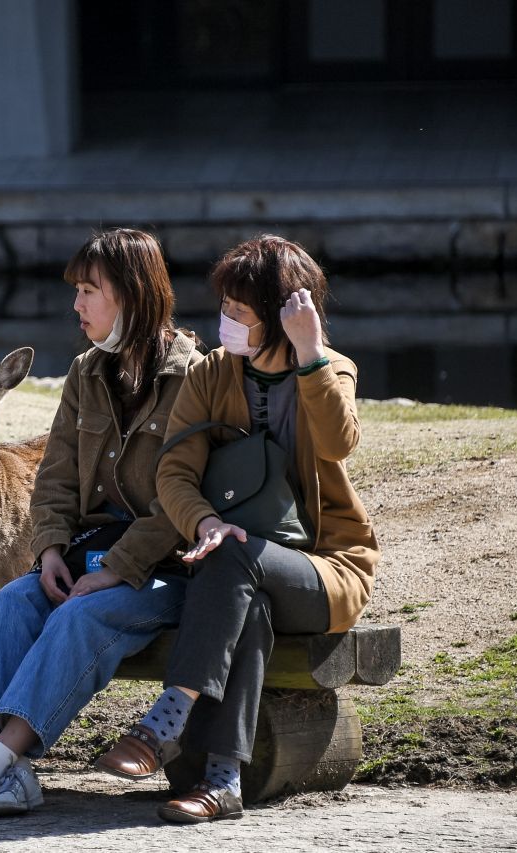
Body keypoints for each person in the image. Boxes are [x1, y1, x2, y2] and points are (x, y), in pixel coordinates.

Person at [93, 235, 380, 825]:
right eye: (224, 307)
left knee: (234, 555)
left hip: (324, 569)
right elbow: (174, 471)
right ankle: (223, 781)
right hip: (237, 568)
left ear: (281, 320)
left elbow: (337, 442)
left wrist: (311, 354)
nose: (225, 321)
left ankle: (164, 722)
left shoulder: (331, 369)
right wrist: (203, 521)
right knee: (240, 583)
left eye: (240, 313)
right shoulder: (212, 375)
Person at [0, 228, 202, 818]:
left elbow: (181, 501)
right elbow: (55, 479)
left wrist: (118, 569)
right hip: (85, 558)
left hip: (166, 572)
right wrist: (50, 549)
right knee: (9, 606)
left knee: (79, 614)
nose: (76, 305)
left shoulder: (193, 379)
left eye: (88, 291)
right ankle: (17, 774)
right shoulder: (86, 371)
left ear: (130, 295)